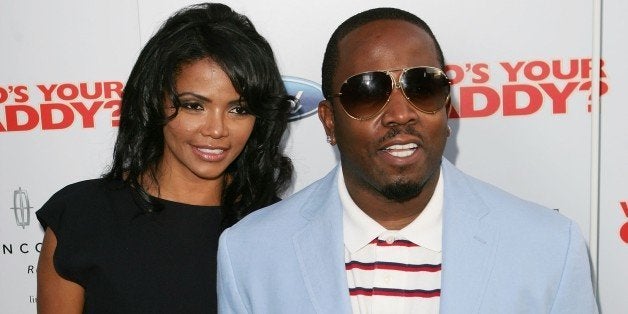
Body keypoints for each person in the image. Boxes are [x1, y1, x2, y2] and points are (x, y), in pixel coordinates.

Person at [217, 7, 598, 314]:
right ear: (329, 122)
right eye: (367, 92)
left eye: (423, 86)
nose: (401, 114)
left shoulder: (548, 247)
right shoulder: (251, 253)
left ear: (446, 108)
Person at [36, 3, 292, 313]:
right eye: (193, 105)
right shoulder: (84, 214)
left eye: (239, 109)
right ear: (155, 100)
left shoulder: (275, 227)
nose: (216, 130)